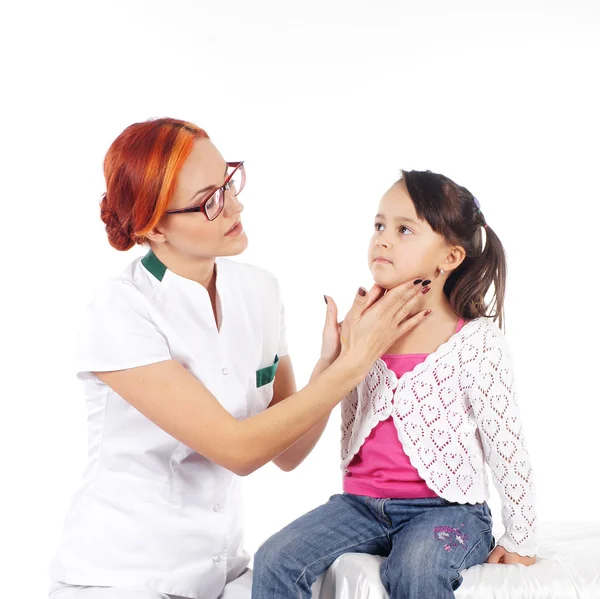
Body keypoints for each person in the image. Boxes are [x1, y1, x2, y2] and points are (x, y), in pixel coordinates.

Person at [48, 118, 433, 599]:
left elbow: (288, 453)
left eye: (229, 182)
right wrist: (355, 365)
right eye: (211, 200)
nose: (236, 205)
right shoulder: (121, 310)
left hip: (220, 574)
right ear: (154, 227)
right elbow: (238, 450)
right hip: (123, 577)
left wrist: (330, 366)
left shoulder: (259, 290)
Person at [252, 169, 538, 599]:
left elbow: (507, 444)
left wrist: (521, 537)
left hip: (449, 513)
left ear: (450, 258)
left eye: (405, 230)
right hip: (359, 507)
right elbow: (319, 410)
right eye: (379, 225)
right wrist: (334, 357)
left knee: (415, 571)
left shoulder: (476, 343)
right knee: (275, 558)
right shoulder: (362, 329)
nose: (382, 239)